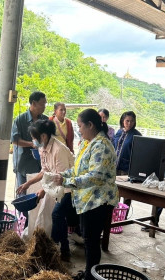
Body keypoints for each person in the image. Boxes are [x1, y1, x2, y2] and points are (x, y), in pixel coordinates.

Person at [53, 108, 118, 280]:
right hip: (86, 199)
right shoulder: (87, 143)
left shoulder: (102, 145)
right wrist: (62, 175)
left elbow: (95, 176)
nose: (79, 130)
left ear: (90, 125)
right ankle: (89, 273)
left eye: (80, 126)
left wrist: (66, 182)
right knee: (88, 238)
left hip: (98, 201)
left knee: (91, 241)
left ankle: (91, 276)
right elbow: (77, 169)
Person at [16, 119, 75, 261]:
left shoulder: (59, 149)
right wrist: (28, 183)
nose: (33, 141)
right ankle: (62, 248)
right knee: (58, 217)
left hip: (67, 187)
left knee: (56, 215)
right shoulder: (42, 148)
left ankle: (55, 248)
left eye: (34, 137)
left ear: (43, 136)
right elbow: (45, 170)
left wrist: (44, 190)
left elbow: (60, 177)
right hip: (55, 187)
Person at [11, 91, 48, 222]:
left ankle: (36, 222)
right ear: (33, 103)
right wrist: (31, 144)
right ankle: (24, 222)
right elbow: (14, 140)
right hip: (24, 164)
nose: (44, 106)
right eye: (42, 103)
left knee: (39, 194)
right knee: (24, 192)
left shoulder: (45, 120)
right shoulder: (20, 120)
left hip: (42, 165)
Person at [113, 111, 142, 175]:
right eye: (127, 121)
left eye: (132, 121)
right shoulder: (119, 132)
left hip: (125, 169)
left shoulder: (137, 135)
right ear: (122, 121)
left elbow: (138, 155)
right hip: (113, 167)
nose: (129, 123)